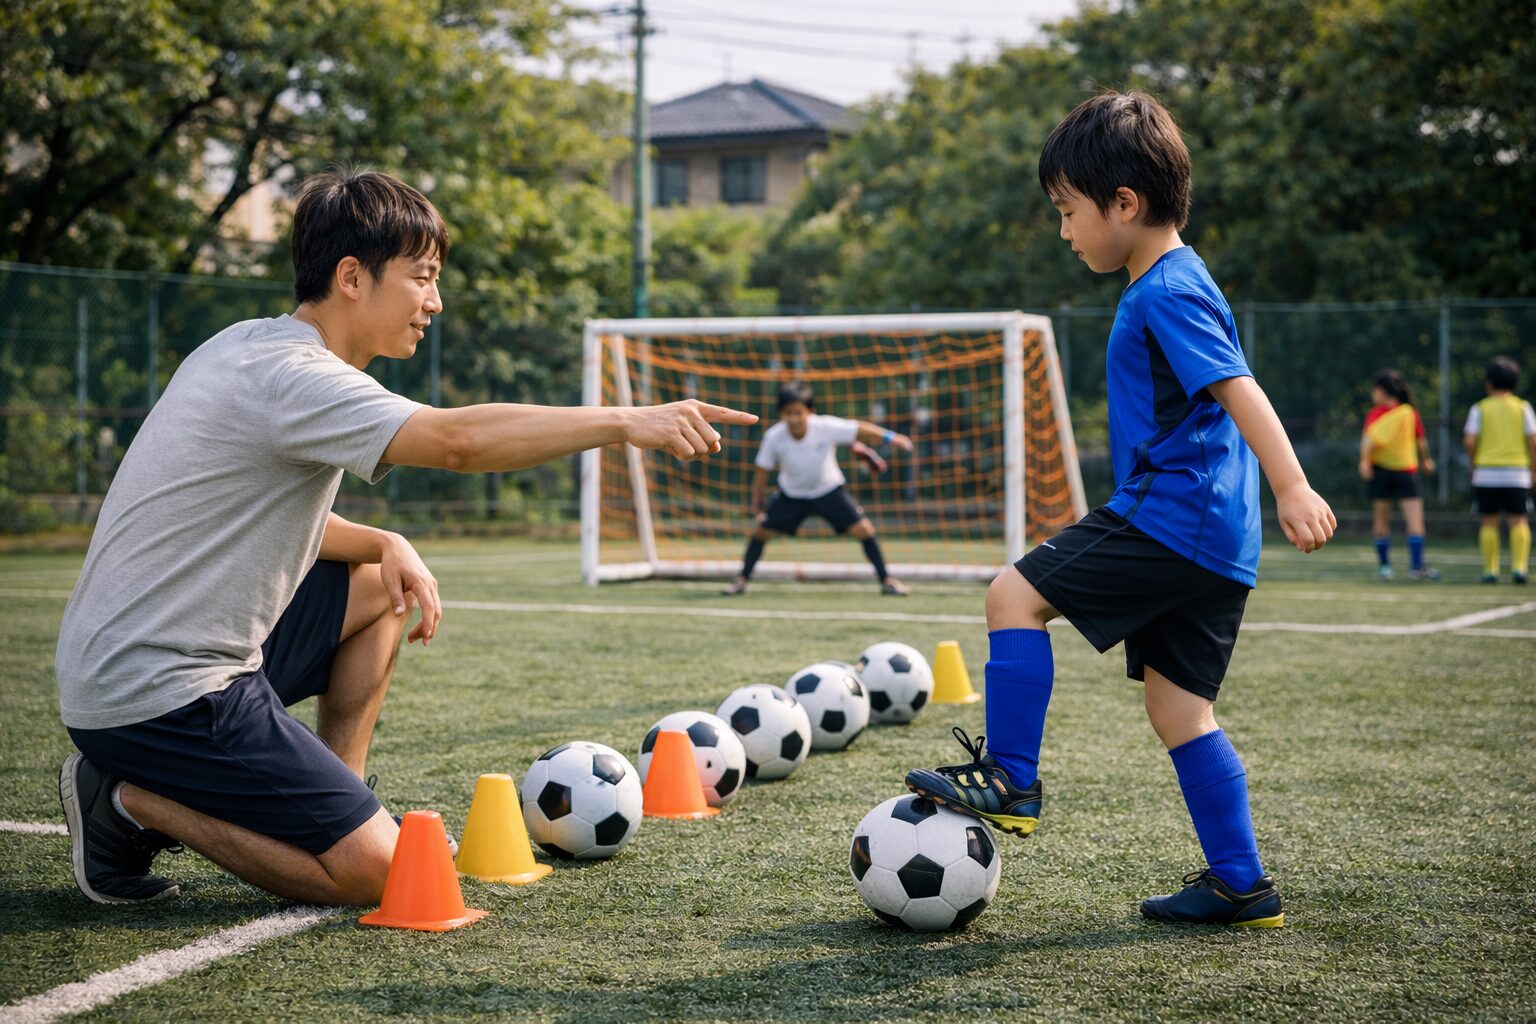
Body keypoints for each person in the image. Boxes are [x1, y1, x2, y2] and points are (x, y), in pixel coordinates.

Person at [55, 170, 754, 907]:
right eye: (422, 278)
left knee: (377, 591)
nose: (435, 301)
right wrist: (621, 421)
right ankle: (128, 800)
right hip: (157, 691)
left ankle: (339, 793)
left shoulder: (248, 348)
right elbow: (456, 441)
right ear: (352, 277)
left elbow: (238, 515)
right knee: (386, 876)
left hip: (136, 660)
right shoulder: (297, 377)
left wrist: (381, 538)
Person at [904, 91, 1336, 928]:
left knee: (1010, 596)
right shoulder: (1181, 276)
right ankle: (1241, 882)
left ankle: (1011, 777)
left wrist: (1292, 483)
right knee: (1180, 709)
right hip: (1217, 540)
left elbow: (1237, 389)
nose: (1065, 231)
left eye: (1068, 211)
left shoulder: (1165, 290)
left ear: (1124, 204)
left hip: (1171, 515)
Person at [722, 381, 913, 596]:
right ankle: (741, 580)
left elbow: (859, 428)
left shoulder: (825, 427)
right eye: (787, 413)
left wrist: (892, 437)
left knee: (865, 530)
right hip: (791, 495)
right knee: (760, 533)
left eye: (798, 412)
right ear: (781, 414)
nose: (793, 419)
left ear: (810, 411)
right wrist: (757, 503)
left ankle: (887, 580)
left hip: (829, 490)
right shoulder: (774, 436)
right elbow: (761, 472)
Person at [1359, 369, 1438, 580]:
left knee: (1381, 521)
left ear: (1382, 391)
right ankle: (1416, 567)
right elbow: (1421, 441)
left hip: (1381, 472)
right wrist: (1427, 460)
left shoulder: (1375, 414)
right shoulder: (1409, 412)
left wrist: (1364, 462)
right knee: (1415, 521)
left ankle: (1385, 568)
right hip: (1406, 472)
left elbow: (1368, 440)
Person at [1464, 356, 1536, 584]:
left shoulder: (1480, 408)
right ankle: (1519, 568)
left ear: (1489, 382)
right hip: (1517, 473)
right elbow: (1533, 441)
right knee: (1519, 521)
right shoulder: (1523, 407)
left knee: (1489, 521)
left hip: (1486, 473)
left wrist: (1474, 461)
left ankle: (1490, 570)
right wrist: (1533, 469)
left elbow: (1469, 441)